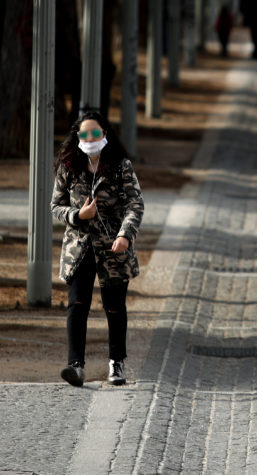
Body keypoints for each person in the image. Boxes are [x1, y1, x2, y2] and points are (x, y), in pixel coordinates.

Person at [51, 110, 144, 387]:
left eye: (95, 133)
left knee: (114, 306)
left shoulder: (120, 166)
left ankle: (117, 363)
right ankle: (75, 365)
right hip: (79, 248)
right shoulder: (68, 166)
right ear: (77, 137)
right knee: (77, 304)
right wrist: (78, 215)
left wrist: (125, 235)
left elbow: (134, 203)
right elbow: (55, 206)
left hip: (113, 247)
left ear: (105, 134)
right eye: (84, 134)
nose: (90, 139)